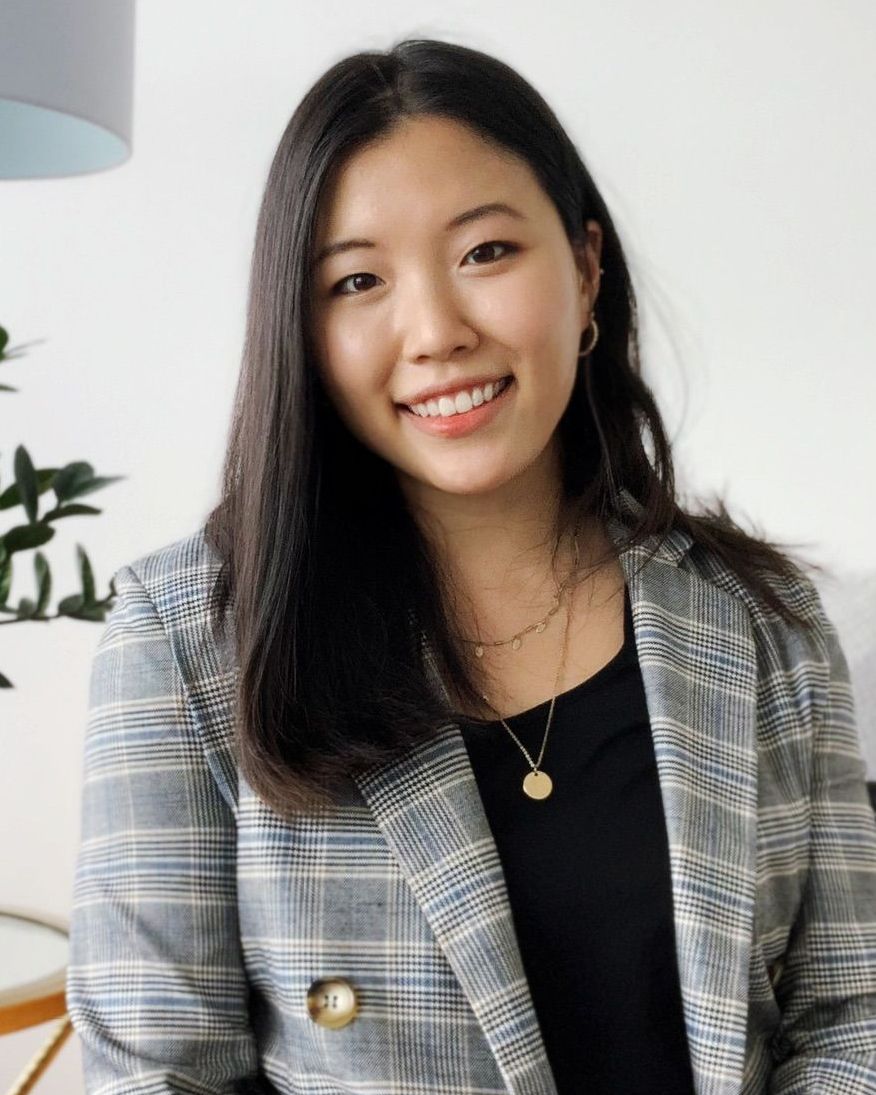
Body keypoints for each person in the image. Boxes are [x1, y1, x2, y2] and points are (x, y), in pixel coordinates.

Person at [66, 37, 876, 1095]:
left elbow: (850, 1011)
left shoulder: (764, 621)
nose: (436, 332)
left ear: (585, 270)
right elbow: (157, 1077)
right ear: (301, 329)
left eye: (486, 252)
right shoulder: (187, 641)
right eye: (358, 280)